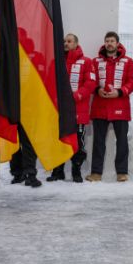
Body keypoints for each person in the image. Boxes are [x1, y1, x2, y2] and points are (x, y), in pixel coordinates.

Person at [48, 33, 96, 182]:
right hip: (60, 111)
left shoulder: (87, 62)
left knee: (78, 143)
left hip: (78, 111)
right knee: (59, 141)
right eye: (64, 41)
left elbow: (91, 84)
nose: (66, 44)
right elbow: (49, 83)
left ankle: (76, 172)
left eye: (69, 41)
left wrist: (74, 97)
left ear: (76, 43)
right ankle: (58, 171)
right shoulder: (57, 61)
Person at [89, 32, 133, 181]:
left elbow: (132, 81)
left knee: (122, 141)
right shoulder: (95, 62)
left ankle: (122, 172)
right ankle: (96, 173)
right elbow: (90, 80)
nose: (109, 43)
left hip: (120, 106)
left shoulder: (128, 61)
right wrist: (97, 90)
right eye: (107, 41)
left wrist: (120, 92)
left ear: (117, 43)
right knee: (98, 142)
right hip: (100, 106)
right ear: (105, 43)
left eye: (112, 41)